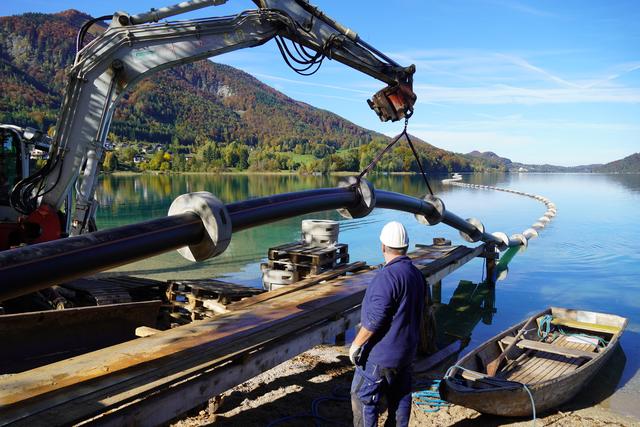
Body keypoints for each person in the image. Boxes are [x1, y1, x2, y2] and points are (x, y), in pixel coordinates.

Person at [349, 221, 426, 427]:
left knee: (364, 398)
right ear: (406, 246)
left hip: (380, 355)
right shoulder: (417, 275)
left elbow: (376, 318)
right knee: (400, 397)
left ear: (383, 246)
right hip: (406, 353)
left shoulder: (387, 276)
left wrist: (356, 345)